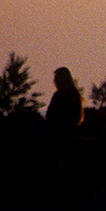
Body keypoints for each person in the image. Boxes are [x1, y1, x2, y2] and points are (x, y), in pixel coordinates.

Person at [45, 66, 83, 202]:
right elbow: (49, 114)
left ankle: (69, 194)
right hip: (58, 135)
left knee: (69, 164)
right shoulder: (58, 95)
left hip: (67, 135)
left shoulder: (71, 95)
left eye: (57, 78)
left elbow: (73, 116)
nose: (55, 81)